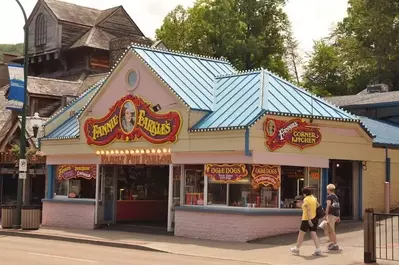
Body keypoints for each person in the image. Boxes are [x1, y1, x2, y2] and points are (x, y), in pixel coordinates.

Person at [290, 187, 321, 256]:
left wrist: (309, 220)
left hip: (307, 219)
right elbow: (317, 206)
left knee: (301, 234)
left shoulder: (306, 199)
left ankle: (297, 248)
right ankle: (318, 249)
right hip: (315, 218)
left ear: (304, 193)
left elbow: (308, 210)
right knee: (313, 234)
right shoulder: (314, 198)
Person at [325, 183, 340, 250]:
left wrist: (325, 214)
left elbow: (328, 206)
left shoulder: (329, 196)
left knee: (331, 229)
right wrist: (338, 216)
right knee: (329, 229)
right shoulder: (336, 196)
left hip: (331, 214)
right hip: (335, 214)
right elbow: (338, 206)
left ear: (329, 190)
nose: (327, 190)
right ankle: (332, 242)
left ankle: (335, 244)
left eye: (327, 189)